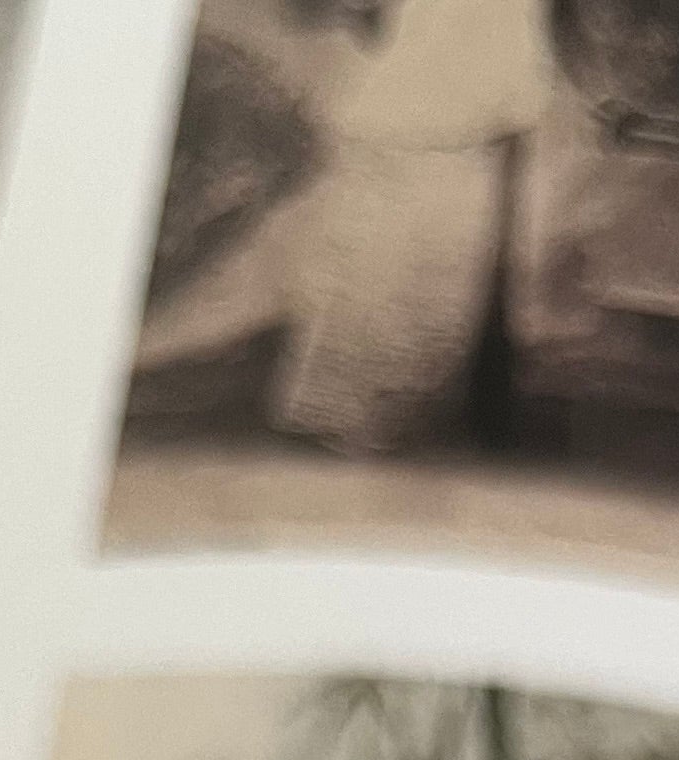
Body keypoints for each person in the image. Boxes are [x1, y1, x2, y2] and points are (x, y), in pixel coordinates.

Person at [131, 0, 561, 454]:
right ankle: (353, 410)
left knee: (424, 267)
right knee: (378, 262)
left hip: (449, 120)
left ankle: (381, 412)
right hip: (414, 117)